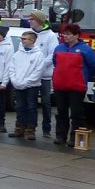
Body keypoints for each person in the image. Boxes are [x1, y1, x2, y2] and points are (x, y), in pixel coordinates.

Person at [52, 23, 95, 147]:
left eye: (68, 34)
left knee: (77, 113)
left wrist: (85, 76)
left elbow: (94, 66)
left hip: (77, 86)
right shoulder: (59, 48)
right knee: (61, 111)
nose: (65, 36)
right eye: (64, 34)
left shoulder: (86, 49)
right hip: (60, 85)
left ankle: (75, 138)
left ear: (76, 35)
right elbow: (55, 62)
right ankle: (60, 136)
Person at [8, 30, 45, 140]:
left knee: (31, 107)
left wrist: (26, 82)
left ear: (32, 40)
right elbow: (12, 68)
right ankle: (19, 128)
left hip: (31, 86)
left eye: (24, 39)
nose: (22, 41)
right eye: (22, 38)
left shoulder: (38, 55)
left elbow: (38, 72)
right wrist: (14, 81)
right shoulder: (18, 54)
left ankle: (31, 130)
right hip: (18, 85)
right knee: (20, 107)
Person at [28, 9, 58, 138]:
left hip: (44, 75)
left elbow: (52, 55)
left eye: (32, 19)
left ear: (39, 21)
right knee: (31, 102)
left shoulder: (51, 36)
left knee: (46, 102)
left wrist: (39, 66)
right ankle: (31, 128)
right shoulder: (30, 34)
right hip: (31, 75)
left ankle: (46, 129)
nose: (30, 21)